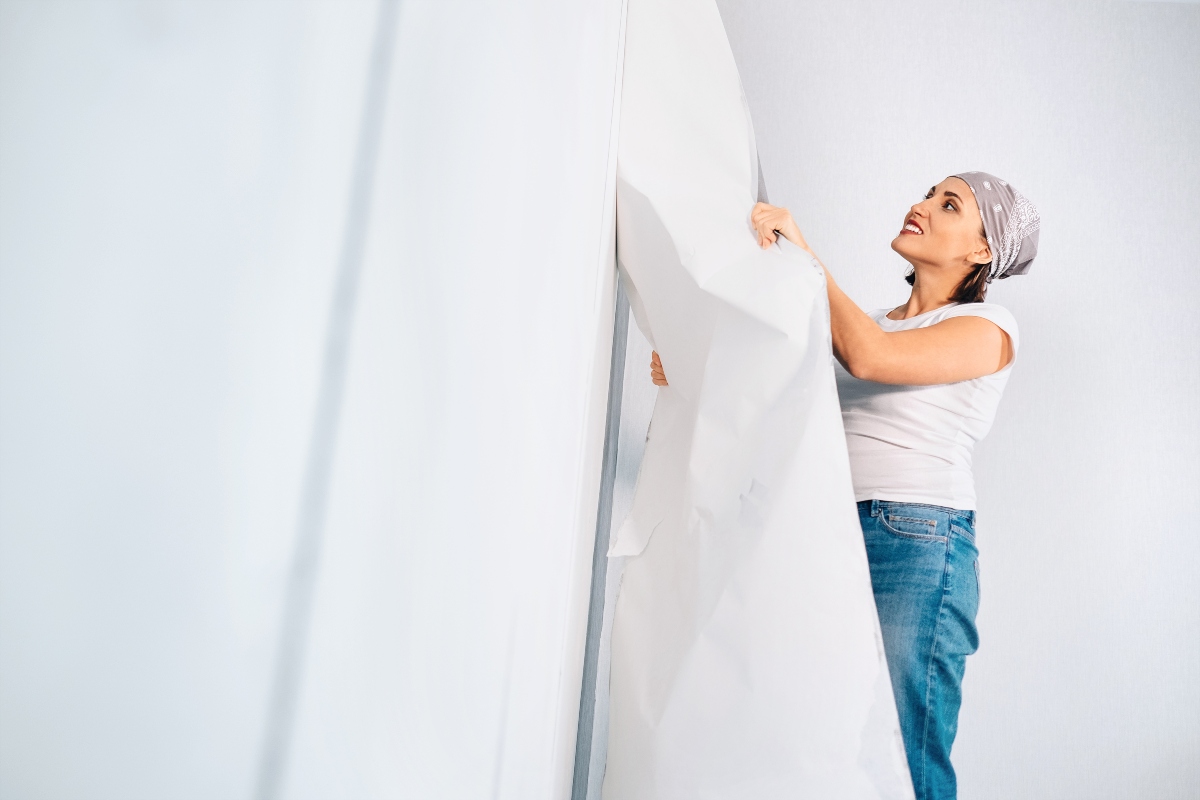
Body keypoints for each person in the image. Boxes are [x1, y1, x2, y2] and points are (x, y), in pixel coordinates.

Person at [649, 172, 1040, 800]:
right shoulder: (871, 321)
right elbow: (784, 397)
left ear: (982, 250)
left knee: (904, 754)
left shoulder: (989, 327)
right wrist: (695, 363)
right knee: (821, 745)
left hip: (915, 544)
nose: (921, 206)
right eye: (926, 194)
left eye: (949, 205)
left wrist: (805, 258)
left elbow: (871, 357)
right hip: (830, 531)